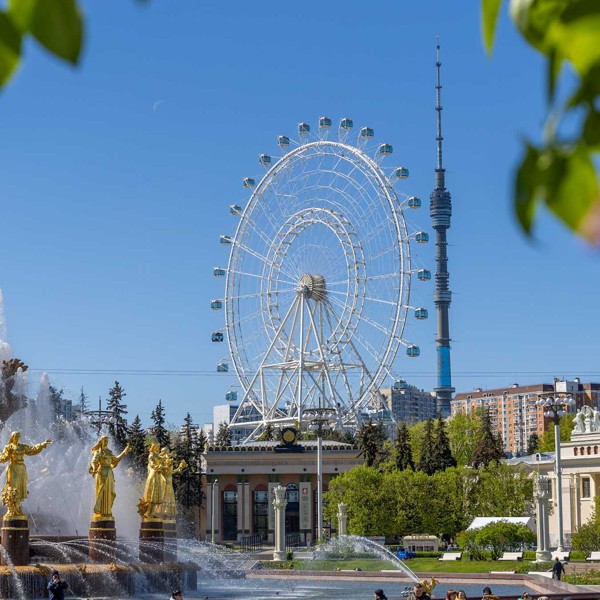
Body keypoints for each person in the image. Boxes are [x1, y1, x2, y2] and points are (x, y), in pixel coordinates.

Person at [0, 431, 52, 516]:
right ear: (12, 437)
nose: (17, 438)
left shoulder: (22, 446)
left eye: (18, 437)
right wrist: (7, 455)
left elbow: (33, 450)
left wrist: (42, 444)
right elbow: (3, 458)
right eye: (16, 436)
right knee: (13, 487)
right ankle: (11, 509)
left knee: (20, 489)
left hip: (22, 469)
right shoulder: (9, 447)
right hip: (13, 468)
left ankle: (17, 509)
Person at [88, 436, 130, 520]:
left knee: (110, 492)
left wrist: (124, 452)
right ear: (101, 442)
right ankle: (100, 511)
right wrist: (95, 468)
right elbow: (93, 461)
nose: (106, 442)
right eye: (105, 441)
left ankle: (107, 512)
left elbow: (116, 460)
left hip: (109, 473)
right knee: (102, 491)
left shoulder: (109, 452)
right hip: (101, 472)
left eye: (107, 441)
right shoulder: (98, 452)